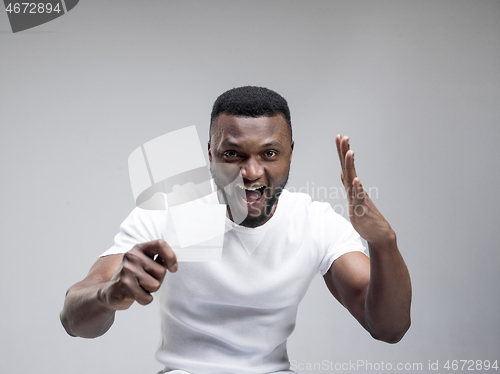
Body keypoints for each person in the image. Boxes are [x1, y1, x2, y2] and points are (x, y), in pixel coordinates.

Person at [60, 86, 411, 374]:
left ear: (290, 153)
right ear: (210, 153)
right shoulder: (165, 212)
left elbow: (388, 328)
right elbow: (73, 319)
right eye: (233, 155)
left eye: (269, 153)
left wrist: (384, 244)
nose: (252, 172)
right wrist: (109, 294)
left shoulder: (316, 221)